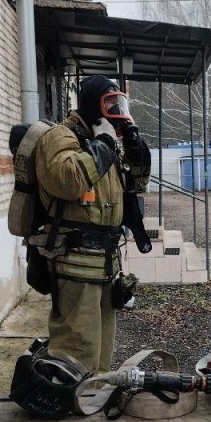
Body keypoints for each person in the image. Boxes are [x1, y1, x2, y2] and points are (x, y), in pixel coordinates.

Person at [32, 75, 150, 375]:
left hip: (105, 266)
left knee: (101, 350)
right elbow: (69, 182)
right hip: (74, 264)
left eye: (119, 103)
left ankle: (91, 399)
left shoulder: (103, 142)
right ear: (90, 103)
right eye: (108, 103)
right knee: (77, 348)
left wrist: (137, 153)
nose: (115, 110)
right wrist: (105, 142)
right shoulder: (61, 137)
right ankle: (68, 404)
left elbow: (133, 188)